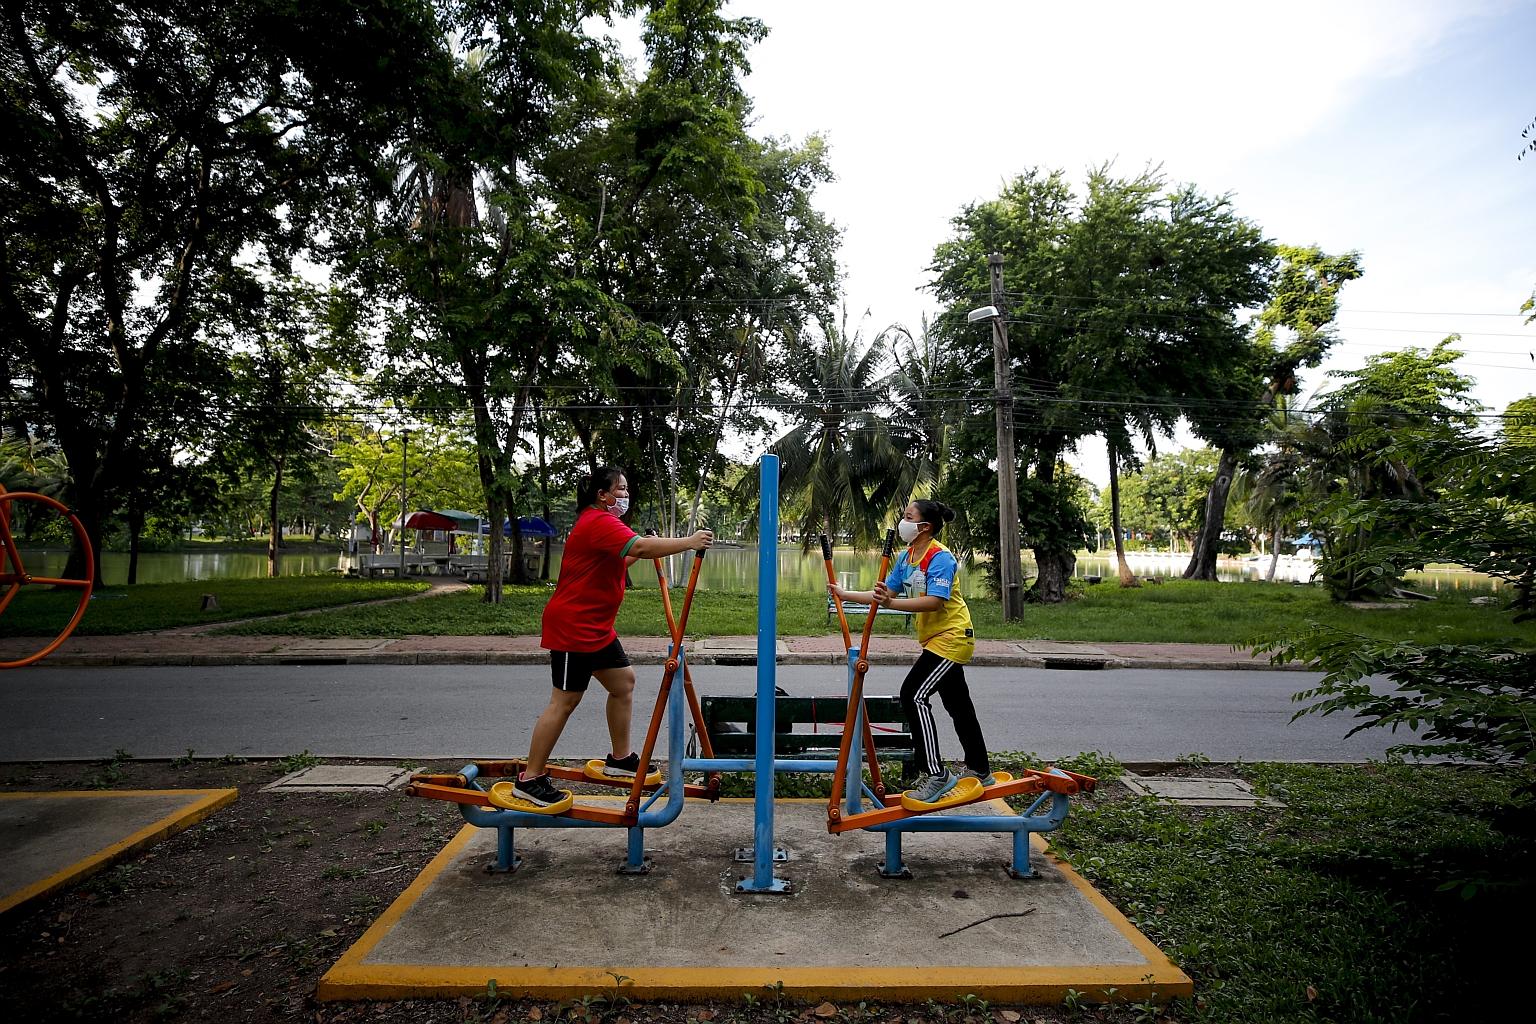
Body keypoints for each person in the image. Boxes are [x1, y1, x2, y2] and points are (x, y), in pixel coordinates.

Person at [514, 466, 713, 807]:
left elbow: (628, 556)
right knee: (564, 702)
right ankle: (530, 779)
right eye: (619, 489)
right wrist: (689, 542)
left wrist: (646, 547)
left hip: (596, 628)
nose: (624, 494)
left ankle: (620, 760)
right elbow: (644, 549)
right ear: (601, 495)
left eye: (625, 488)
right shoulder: (597, 522)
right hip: (573, 627)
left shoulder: (605, 525)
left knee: (623, 684)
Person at [827, 499, 992, 804]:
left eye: (908, 517)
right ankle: (981, 769)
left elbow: (935, 601)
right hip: (934, 639)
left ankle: (936, 773)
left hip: (953, 637)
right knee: (958, 706)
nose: (902, 521)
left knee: (913, 694)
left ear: (925, 526)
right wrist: (844, 593)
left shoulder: (939, 557)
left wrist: (892, 604)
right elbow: (883, 595)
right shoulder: (905, 558)